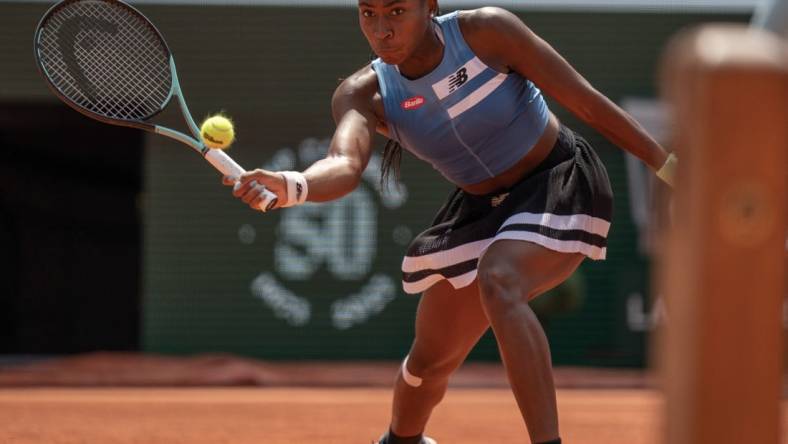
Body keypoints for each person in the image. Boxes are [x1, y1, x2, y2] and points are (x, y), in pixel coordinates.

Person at [225, 1, 675, 443]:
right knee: (428, 361)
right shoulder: (363, 93)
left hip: (556, 184)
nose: (382, 29)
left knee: (500, 279)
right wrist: (293, 184)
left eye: (397, 11)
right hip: (480, 211)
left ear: (429, 8)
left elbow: (589, 104)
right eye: (368, 13)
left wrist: (670, 170)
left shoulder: (488, 32)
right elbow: (344, 164)